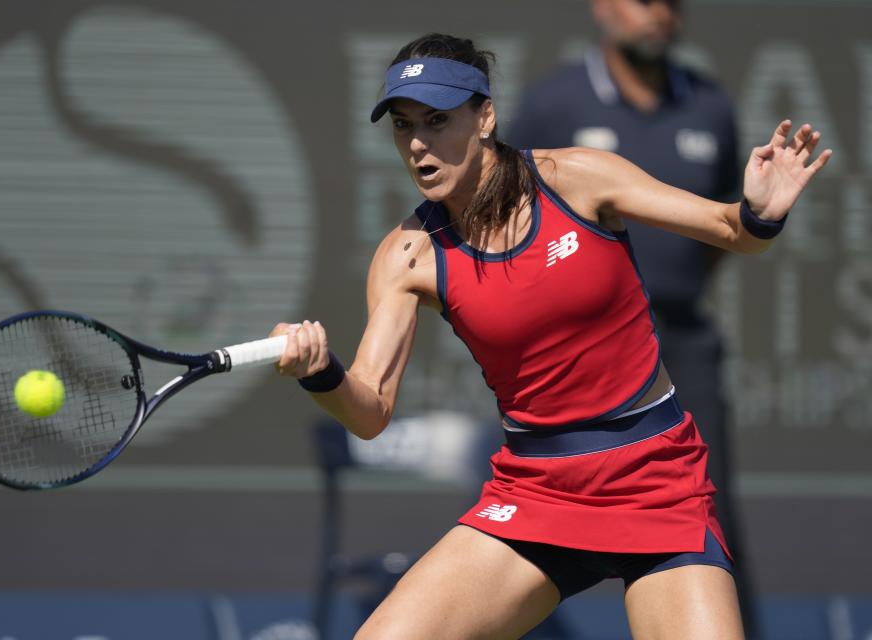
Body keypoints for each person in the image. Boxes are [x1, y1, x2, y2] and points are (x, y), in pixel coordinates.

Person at [272, 33, 830, 640]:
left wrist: (759, 211)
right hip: (536, 492)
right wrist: (320, 372)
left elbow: (730, 229)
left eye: (437, 121)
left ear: (484, 116)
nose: (417, 144)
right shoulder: (407, 255)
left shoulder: (578, 179)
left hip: (655, 481)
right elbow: (370, 410)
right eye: (403, 125)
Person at [504, 0, 756, 634]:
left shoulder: (711, 106)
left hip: (679, 343)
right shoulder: (552, 103)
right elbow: (506, 220)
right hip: (574, 350)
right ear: (601, 6)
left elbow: (722, 225)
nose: (659, 14)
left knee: (706, 507)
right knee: (539, 505)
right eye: (643, 1)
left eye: (672, 3)